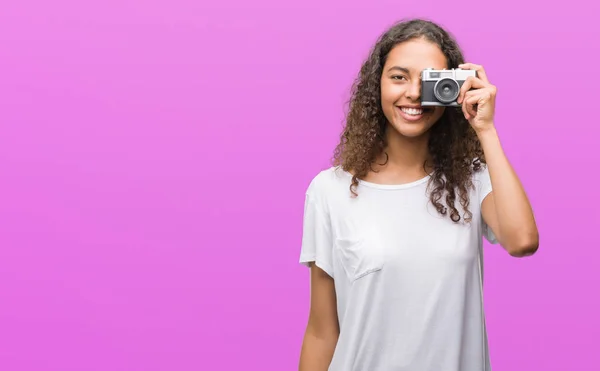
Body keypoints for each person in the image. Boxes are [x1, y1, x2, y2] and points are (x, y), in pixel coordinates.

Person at [297, 18, 539, 371]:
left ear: (454, 87)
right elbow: (322, 331)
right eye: (399, 76)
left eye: (429, 80)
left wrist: (485, 130)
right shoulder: (329, 190)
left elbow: (522, 241)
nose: (413, 93)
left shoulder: (472, 180)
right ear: (376, 85)